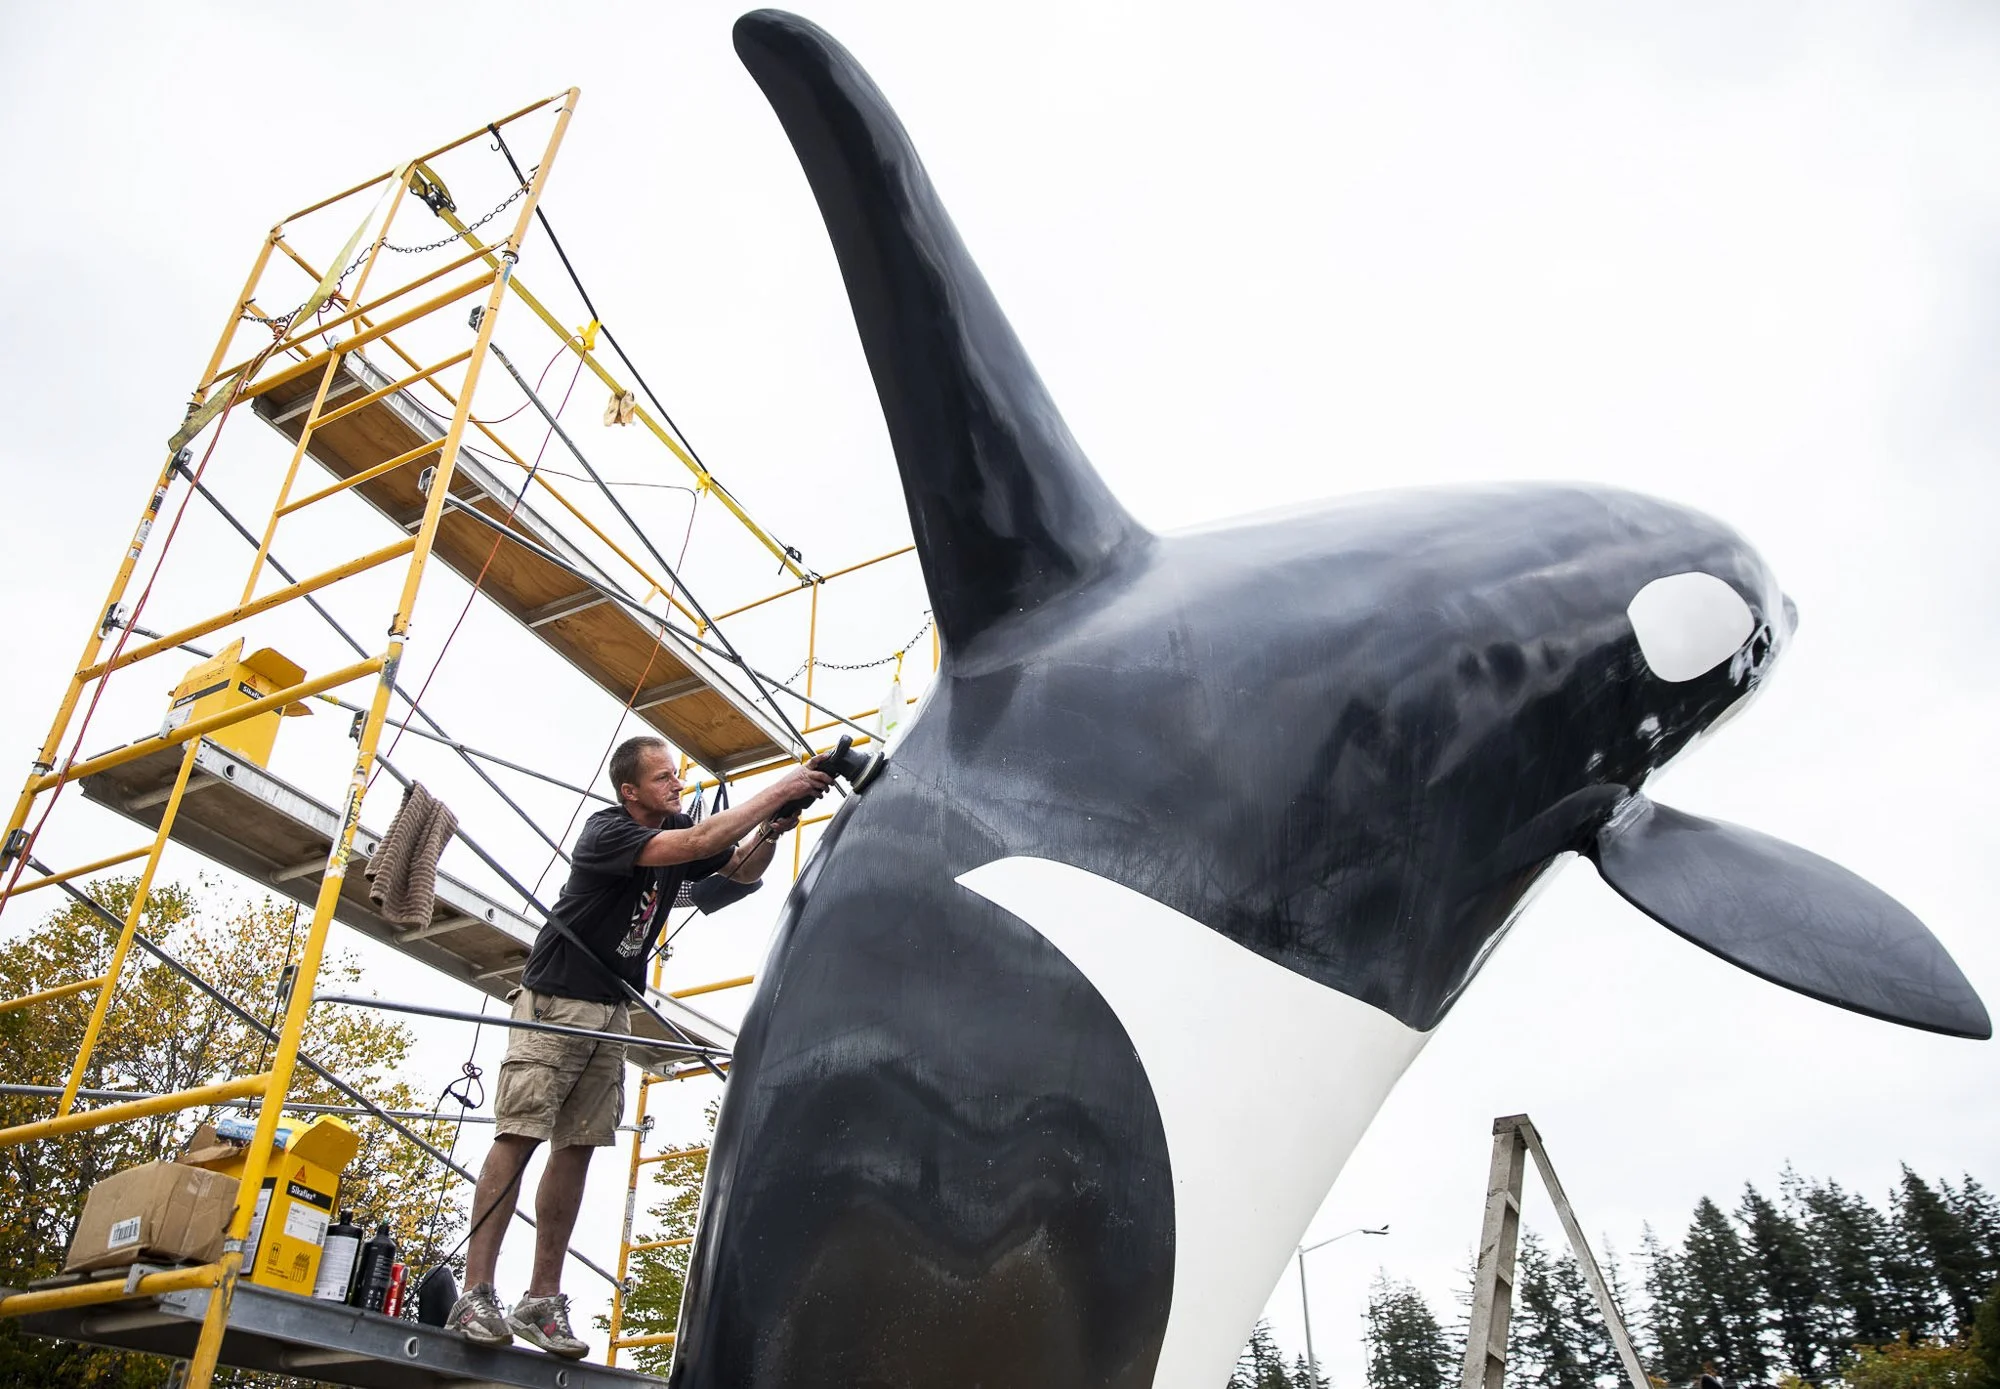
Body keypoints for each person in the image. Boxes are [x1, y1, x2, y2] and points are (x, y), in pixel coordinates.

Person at [447, 735, 831, 1356]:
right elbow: (701, 843)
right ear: (630, 792)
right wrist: (781, 789)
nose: (676, 786)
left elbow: (735, 872)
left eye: (675, 776)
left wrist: (774, 830)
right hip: (557, 998)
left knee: (578, 1148)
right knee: (519, 1135)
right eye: (662, 778)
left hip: (611, 1007)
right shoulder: (608, 833)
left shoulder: (675, 829)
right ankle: (476, 1291)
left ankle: (541, 1301)